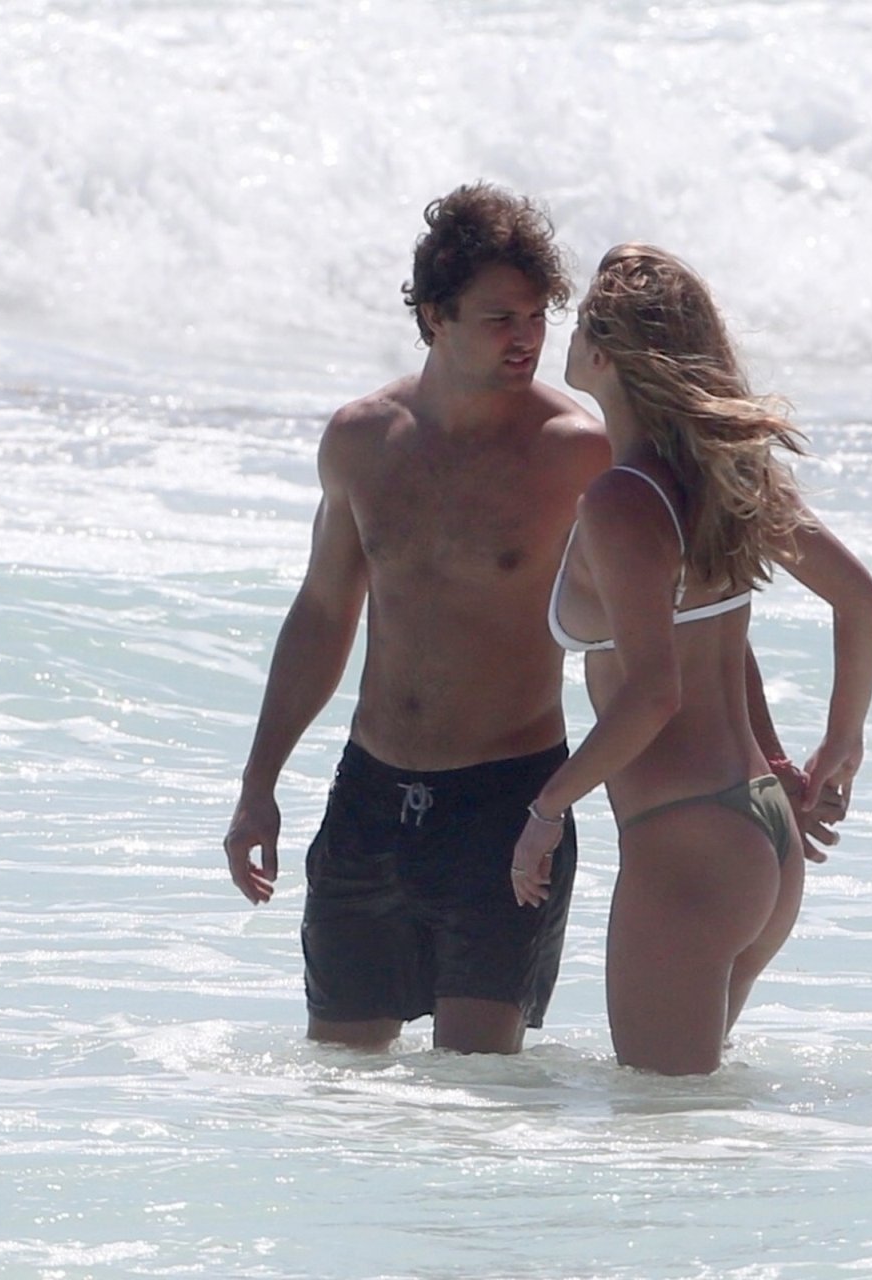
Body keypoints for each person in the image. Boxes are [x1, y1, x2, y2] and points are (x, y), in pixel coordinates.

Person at [220, 183, 609, 1055]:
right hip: (369, 801)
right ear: (435, 316)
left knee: (474, 1103)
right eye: (499, 319)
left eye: (537, 317)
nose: (526, 338)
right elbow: (323, 613)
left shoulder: (575, 452)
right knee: (340, 1087)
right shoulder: (363, 440)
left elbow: (657, 621)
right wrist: (258, 785)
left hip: (506, 810)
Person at [508, 244, 872, 1076]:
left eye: (580, 324)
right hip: (763, 832)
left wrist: (547, 810)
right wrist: (831, 746)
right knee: (693, 1126)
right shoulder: (725, 478)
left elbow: (654, 694)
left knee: (659, 1128)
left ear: (607, 355)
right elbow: (859, 603)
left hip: (687, 850)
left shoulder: (623, 499)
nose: (567, 337)